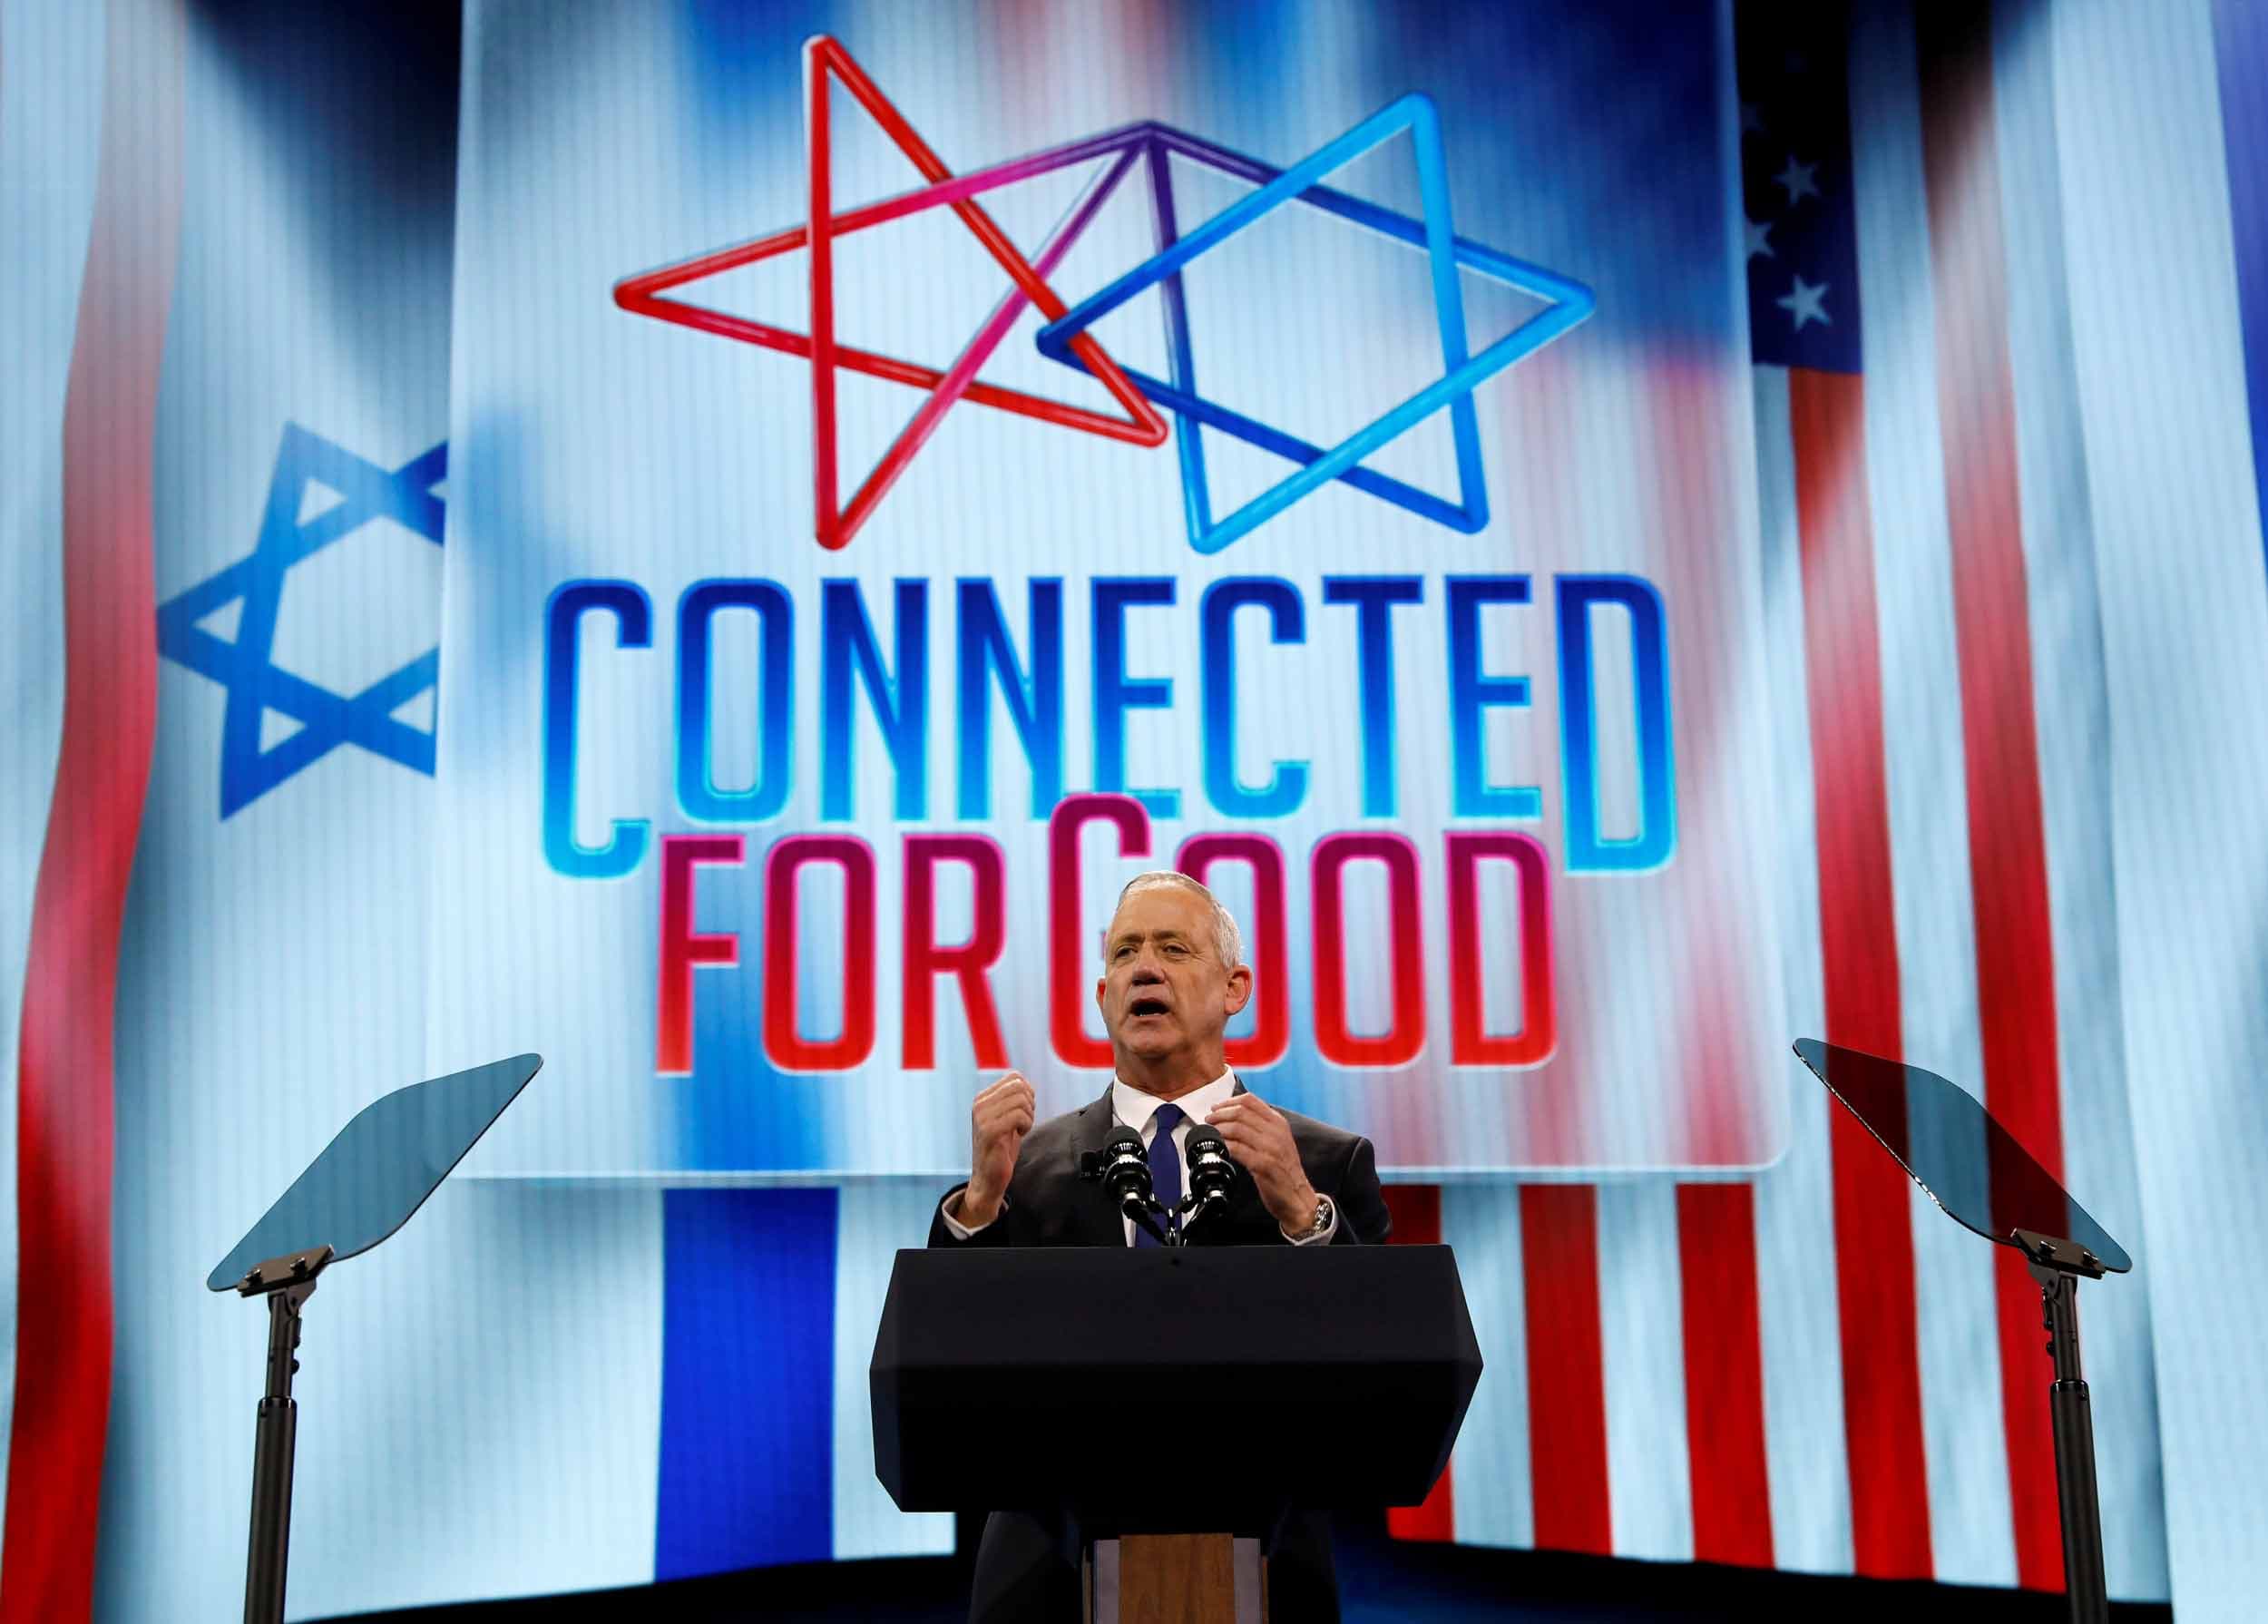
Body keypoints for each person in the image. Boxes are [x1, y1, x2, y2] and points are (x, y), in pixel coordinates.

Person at [929, 870, 1392, 1623]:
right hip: (1045, 1573)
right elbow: (945, 1358)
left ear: (1235, 987)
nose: (1145, 967)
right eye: (1125, 954)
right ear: (1104, 995)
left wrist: (1305, 1214)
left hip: (1266, 1562)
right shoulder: (1026, 1166)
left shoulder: (1323, 1162)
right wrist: (979, 1203)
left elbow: (1385, 1357)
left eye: (1174, 949)